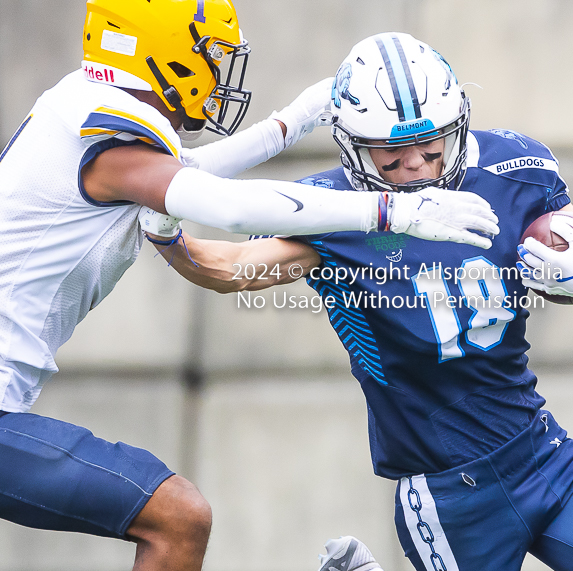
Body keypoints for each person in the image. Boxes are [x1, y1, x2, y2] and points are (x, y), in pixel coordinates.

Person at [145, 33, 573, 571]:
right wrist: (164, 230)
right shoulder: (332, 208)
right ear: (350, 146)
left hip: (544, 453)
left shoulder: (514, 166)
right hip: (449, 492)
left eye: (429, 146)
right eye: (390, 152)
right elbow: (232, 271)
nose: (413, 163)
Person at [0, 1, 500, 568]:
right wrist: (390, 212)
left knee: (173, 514)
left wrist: (294, 121)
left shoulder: (85, 105)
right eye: (210, 56)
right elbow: (224, 206)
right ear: (167, 53)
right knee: (177, 516)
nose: (218, 74)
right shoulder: (106, 138)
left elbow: (188, 173)